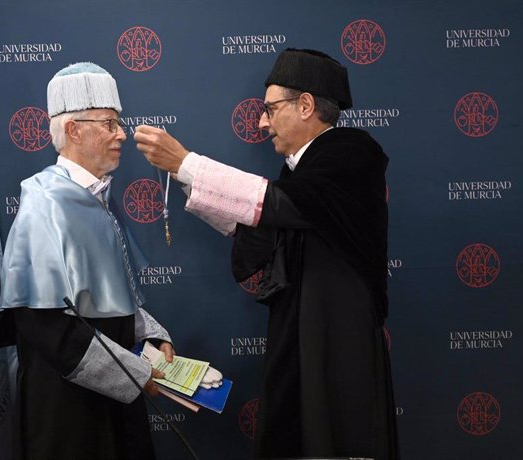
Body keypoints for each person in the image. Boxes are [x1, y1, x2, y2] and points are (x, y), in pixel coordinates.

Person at [134, 48, 399, 460]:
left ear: (306, 105)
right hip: (304, 329)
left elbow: (278, 205)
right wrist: (184, 177)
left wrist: (188, 165)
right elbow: (263, 224)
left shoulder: (351, 152)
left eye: (271, 109)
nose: (262, 122)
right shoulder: (302, 171)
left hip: (336, 337)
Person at [0, 62, 174, 460]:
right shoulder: (44, 205)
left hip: (116, 390)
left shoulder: (96, 196)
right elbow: (45, 325)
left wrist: (153, 334)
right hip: (69, 408)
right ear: (73, 129)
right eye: (109, 123)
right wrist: (136, 372)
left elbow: (109, 290)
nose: (121, 133)